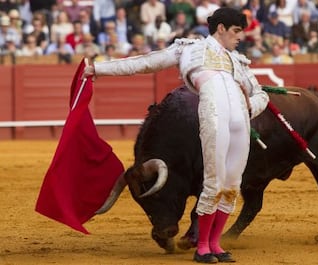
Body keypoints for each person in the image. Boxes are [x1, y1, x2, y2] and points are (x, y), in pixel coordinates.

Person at [82, 7, 269, 263]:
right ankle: (202, 247)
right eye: (236, 31)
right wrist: (98, 70)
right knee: (213, 182)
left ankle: (216, 244)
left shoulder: (239, 61)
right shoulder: (188, 48)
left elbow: (262, 94)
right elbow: (144, 63)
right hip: (214, 113)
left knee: (232, 186)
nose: (240, 37)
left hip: (240, 120)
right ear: (221, 28)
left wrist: (251, 106)